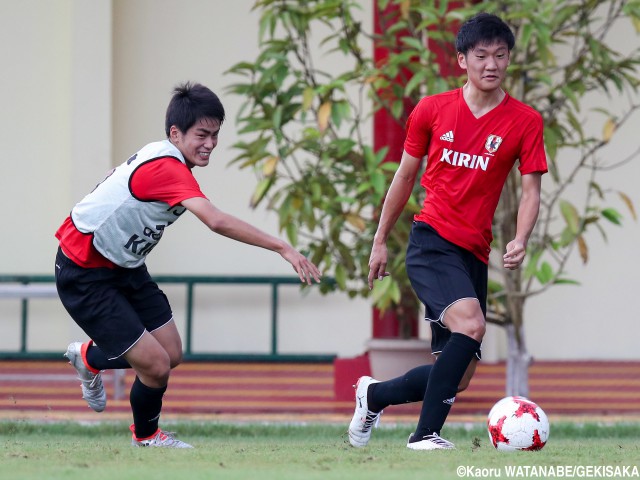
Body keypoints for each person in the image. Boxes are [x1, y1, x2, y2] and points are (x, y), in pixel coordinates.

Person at [55, 82, 321, 448]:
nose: (210, 143)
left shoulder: (170, 159)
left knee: (171, 354)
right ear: (175, 133)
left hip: (125, 267)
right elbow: (216, 220)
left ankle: (89, 357)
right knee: (156, 366)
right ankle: (147, 437)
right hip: (85, 271)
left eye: (215, 135)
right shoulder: (168, 168)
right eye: (202, 134)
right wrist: (282, 248)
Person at [348, 13, 547, 450]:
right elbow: (403, 178)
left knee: (458, 376)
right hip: (431, 242)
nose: (491, 64)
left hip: (474, 253)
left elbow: (531, 190)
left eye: (500, 55)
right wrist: (379, 240)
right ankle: (425, 436)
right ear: (462, 59)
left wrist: (521, 238)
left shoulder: (525, 121)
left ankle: (373, 395)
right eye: (481, 55)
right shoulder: (432, 109)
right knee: (472, 325)